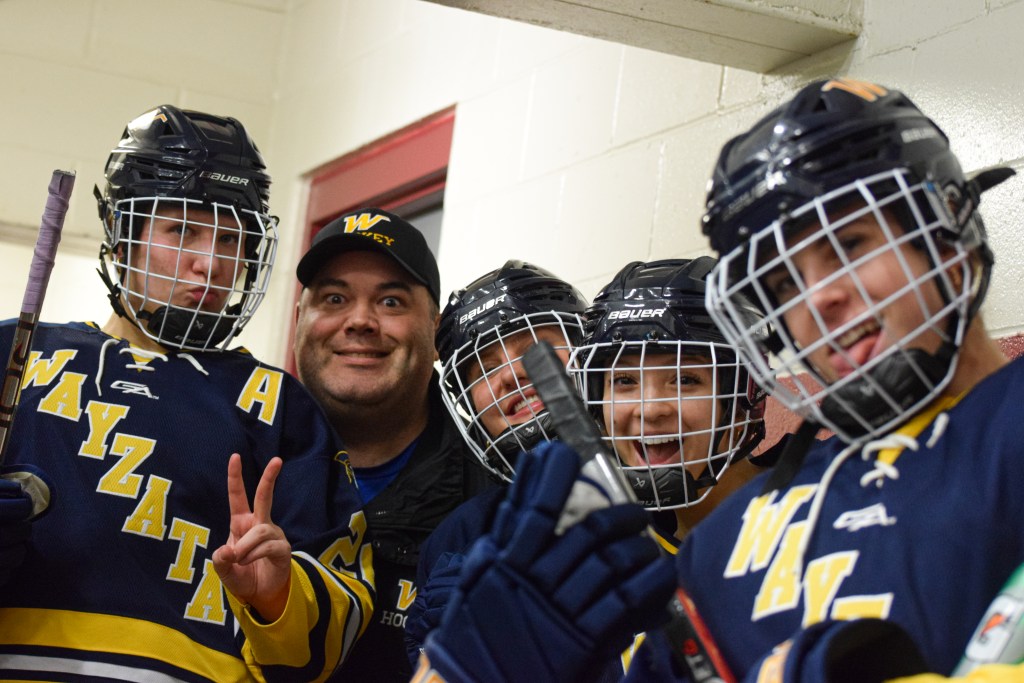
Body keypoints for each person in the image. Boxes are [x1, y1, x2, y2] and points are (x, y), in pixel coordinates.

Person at [0, 105, 373, 681]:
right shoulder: (15, 355)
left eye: (232, 239)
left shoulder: (279, 406)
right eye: (183, 231)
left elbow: (331, 636)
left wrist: (277, 598)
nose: (210, 263)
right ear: (124, 238)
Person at [292, 208, 496, 683]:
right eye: (335, 298)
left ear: (436, 330)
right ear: (300, 320)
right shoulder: (240, 452)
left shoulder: (495, 494)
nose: (360, 321)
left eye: (391, 302)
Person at [403, 260, 588, 661]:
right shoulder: (459, 537)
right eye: (485, 370)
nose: (510, 375)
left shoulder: (665, 493)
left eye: (533, 349)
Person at [569, 256, 768, 544]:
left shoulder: (823, 501)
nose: (650, 410)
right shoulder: (626, 551)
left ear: (745, 395)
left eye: (685, 380)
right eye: (624, 381)